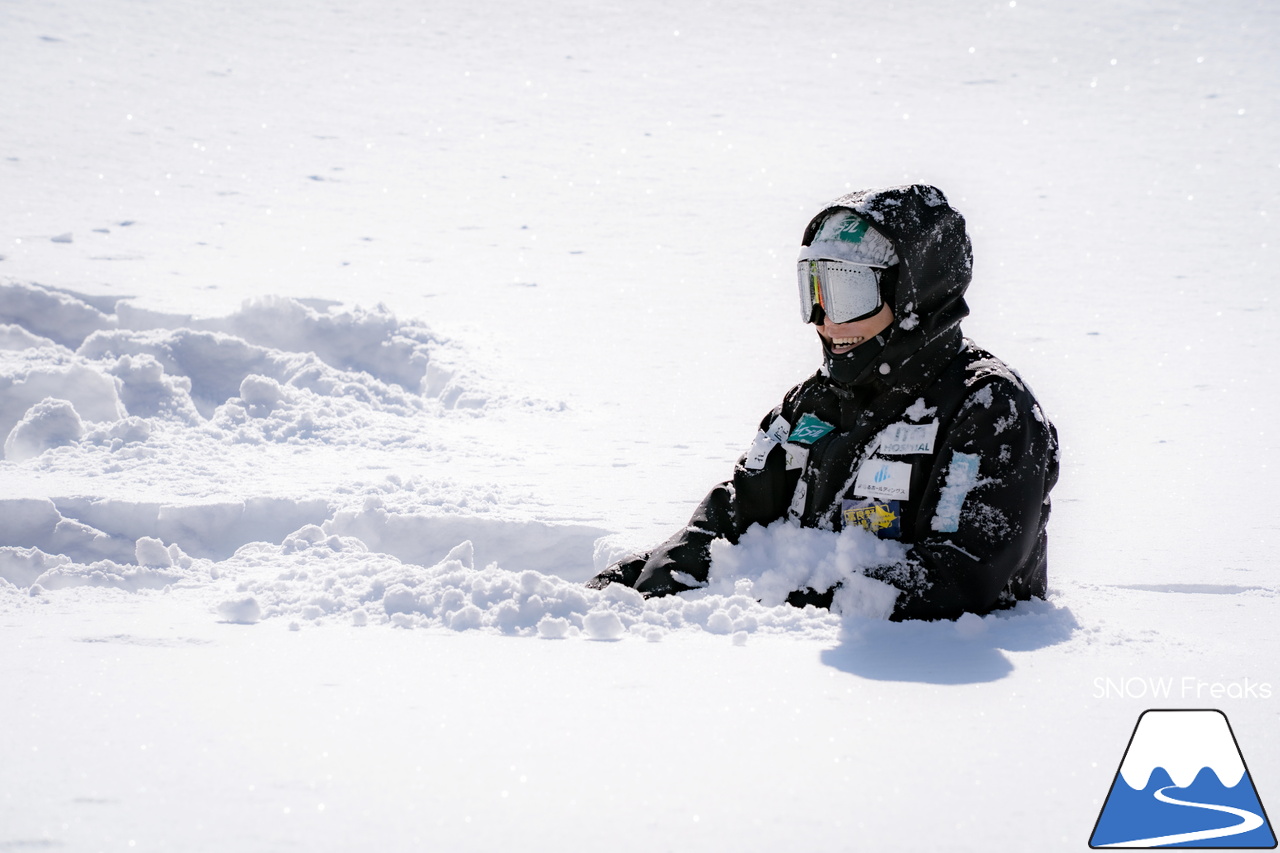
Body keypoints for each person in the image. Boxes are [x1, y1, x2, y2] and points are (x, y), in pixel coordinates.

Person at [587, 183, 1059, 621]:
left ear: (915, 296)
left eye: (849, 292)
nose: (826, 320)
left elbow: (959, 575)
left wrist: (773, 607)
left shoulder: (991, 409)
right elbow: (735, 516)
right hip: (773, 668)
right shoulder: (814, 401)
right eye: (814, 291)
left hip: (926, 678)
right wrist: (633, 585)